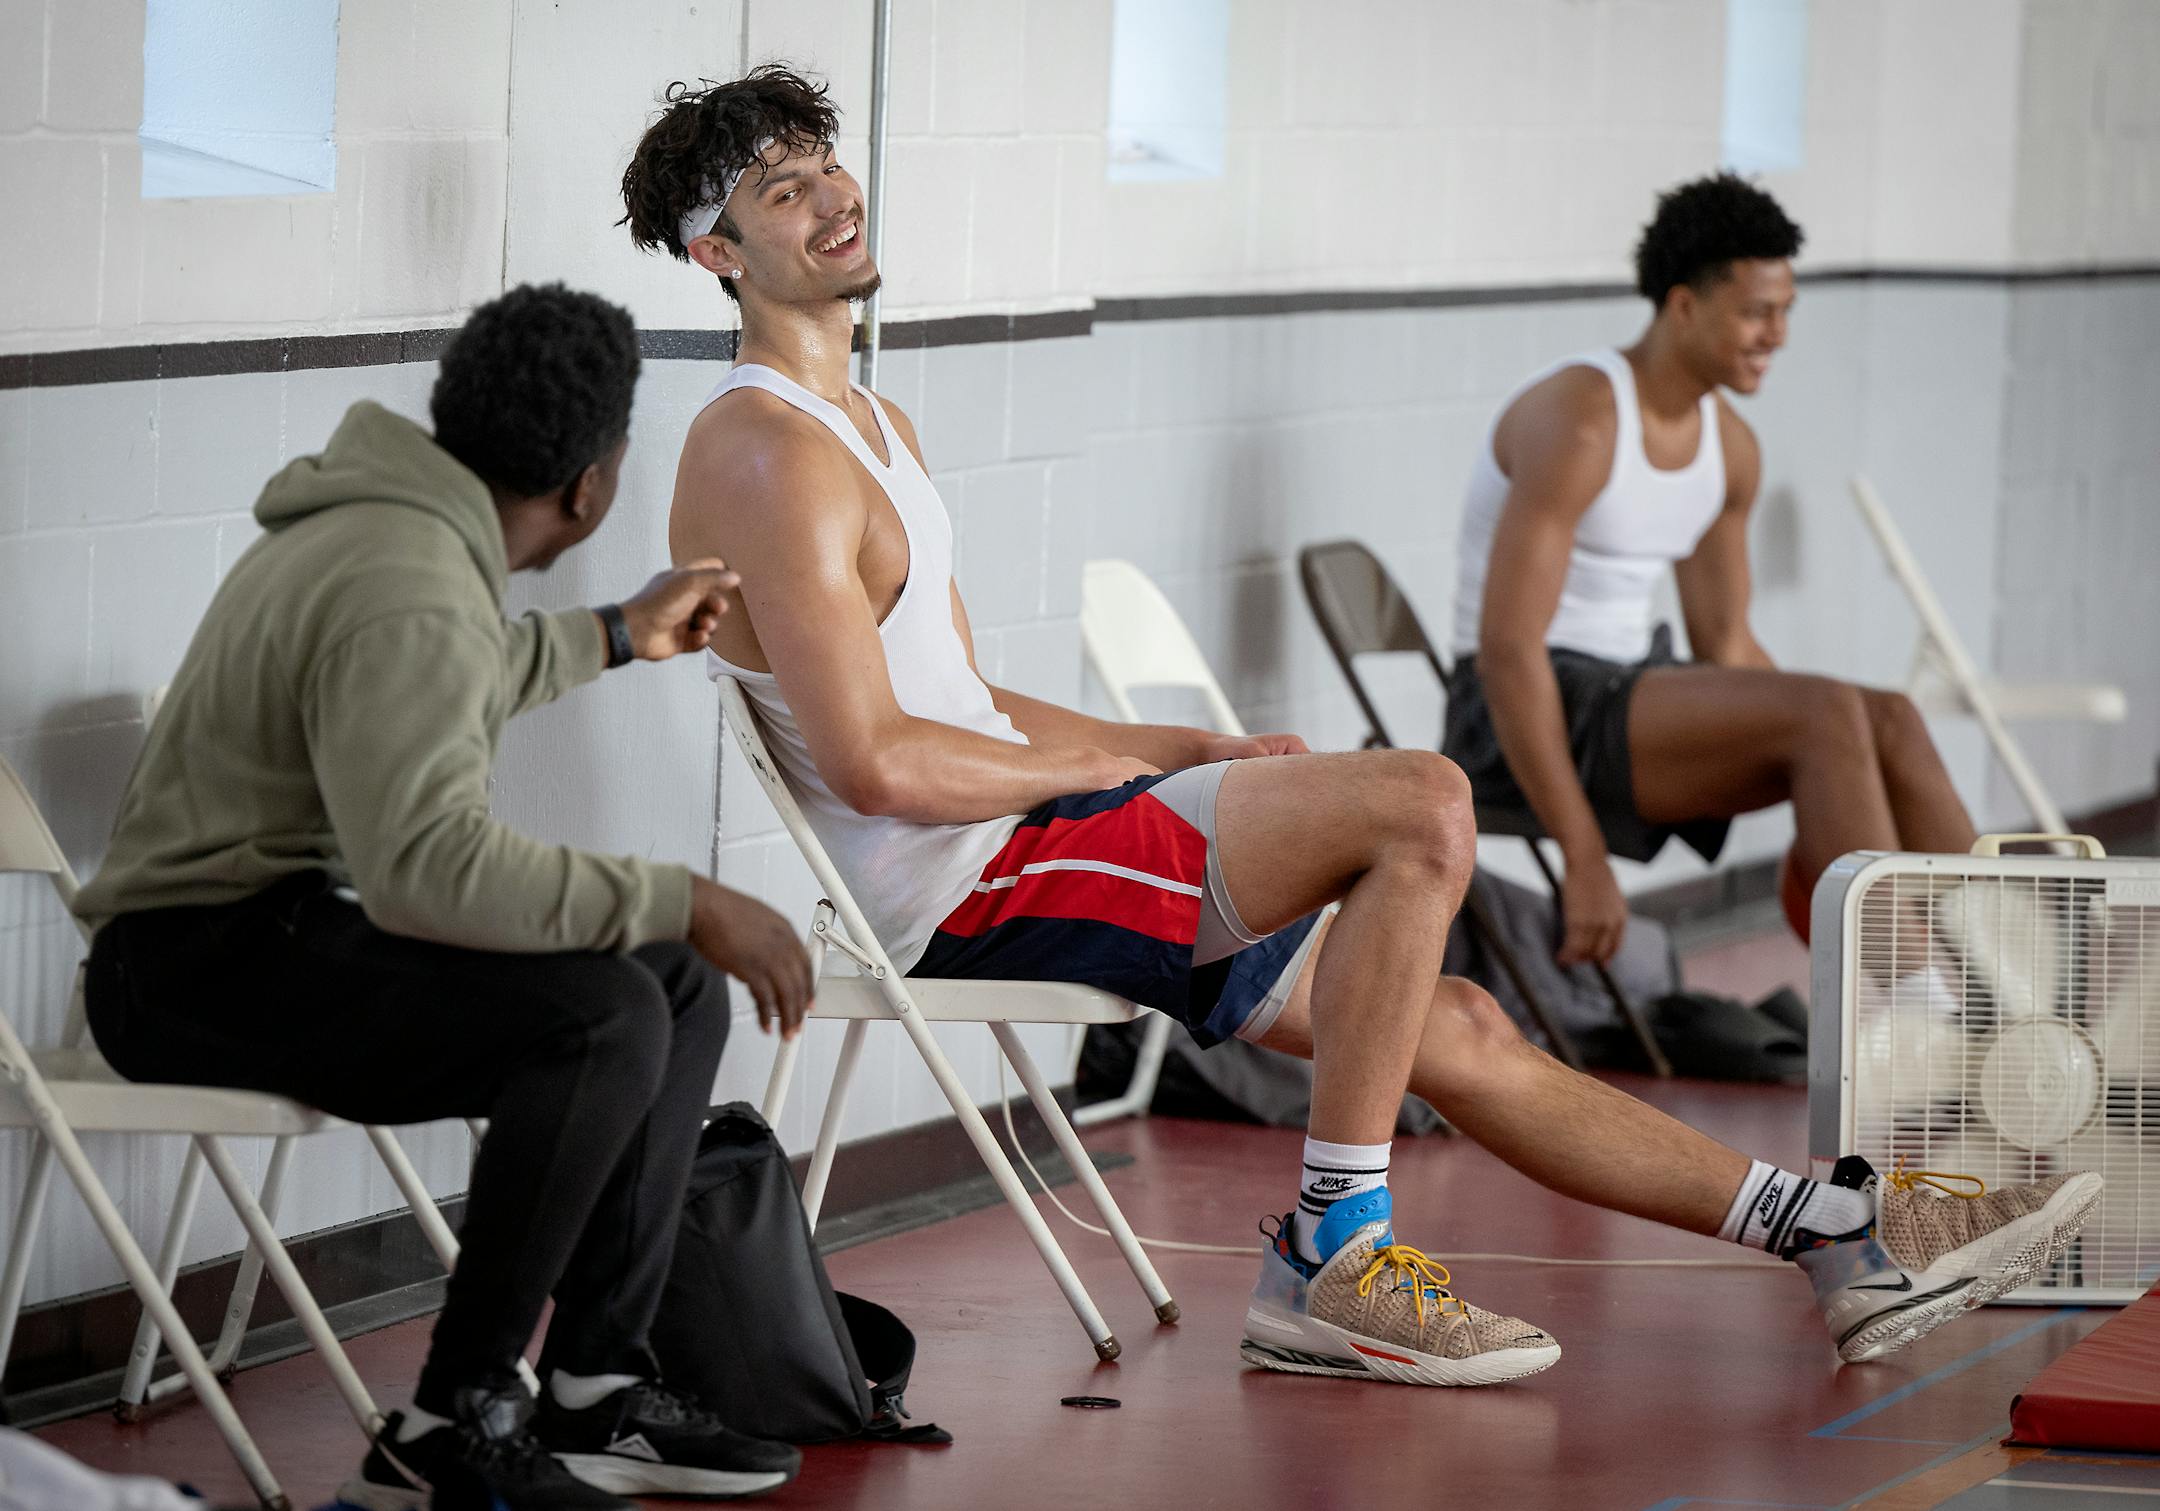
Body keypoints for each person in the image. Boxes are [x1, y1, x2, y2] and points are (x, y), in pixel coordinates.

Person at [623, 70, 2099, 1386]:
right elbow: (882, 760)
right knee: (1421, 800)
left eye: (825, 160)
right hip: (968, 880)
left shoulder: (876, 425)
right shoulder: (760, 449)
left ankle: (1835, 1230)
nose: (829, 194)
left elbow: (965, 701)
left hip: (1042, 837)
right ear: (718, 251)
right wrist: (1105, 766)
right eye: (779, 185)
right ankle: (1333, 1251)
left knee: (1449, 1022)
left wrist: (1168, 743)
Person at [73, 284, 813, 1511]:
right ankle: (452, 1418)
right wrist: (683, 892)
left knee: (666, 991)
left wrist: (617, 635)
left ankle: (593, 1387)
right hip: (189, 966)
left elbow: (442, 679)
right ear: (594, 482)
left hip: (247, 933)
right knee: (607, 1010)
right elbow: (429, 871)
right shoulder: (406, 575)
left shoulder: (401, 528)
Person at [1446, 172, 1980, 972]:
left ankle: (2018, 996)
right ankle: (1916, 1021)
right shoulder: (1583, 419)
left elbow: (1727, 640)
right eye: (1757, 312)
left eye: (1786, 310)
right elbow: (1508, 652)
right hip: (1517, 711)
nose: (1779, 334)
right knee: (1829, 709)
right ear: (1684, 304)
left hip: (1627, 691)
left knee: (1888, 716)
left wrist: (1844, 769)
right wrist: (1584, 856)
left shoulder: (1729, 449)